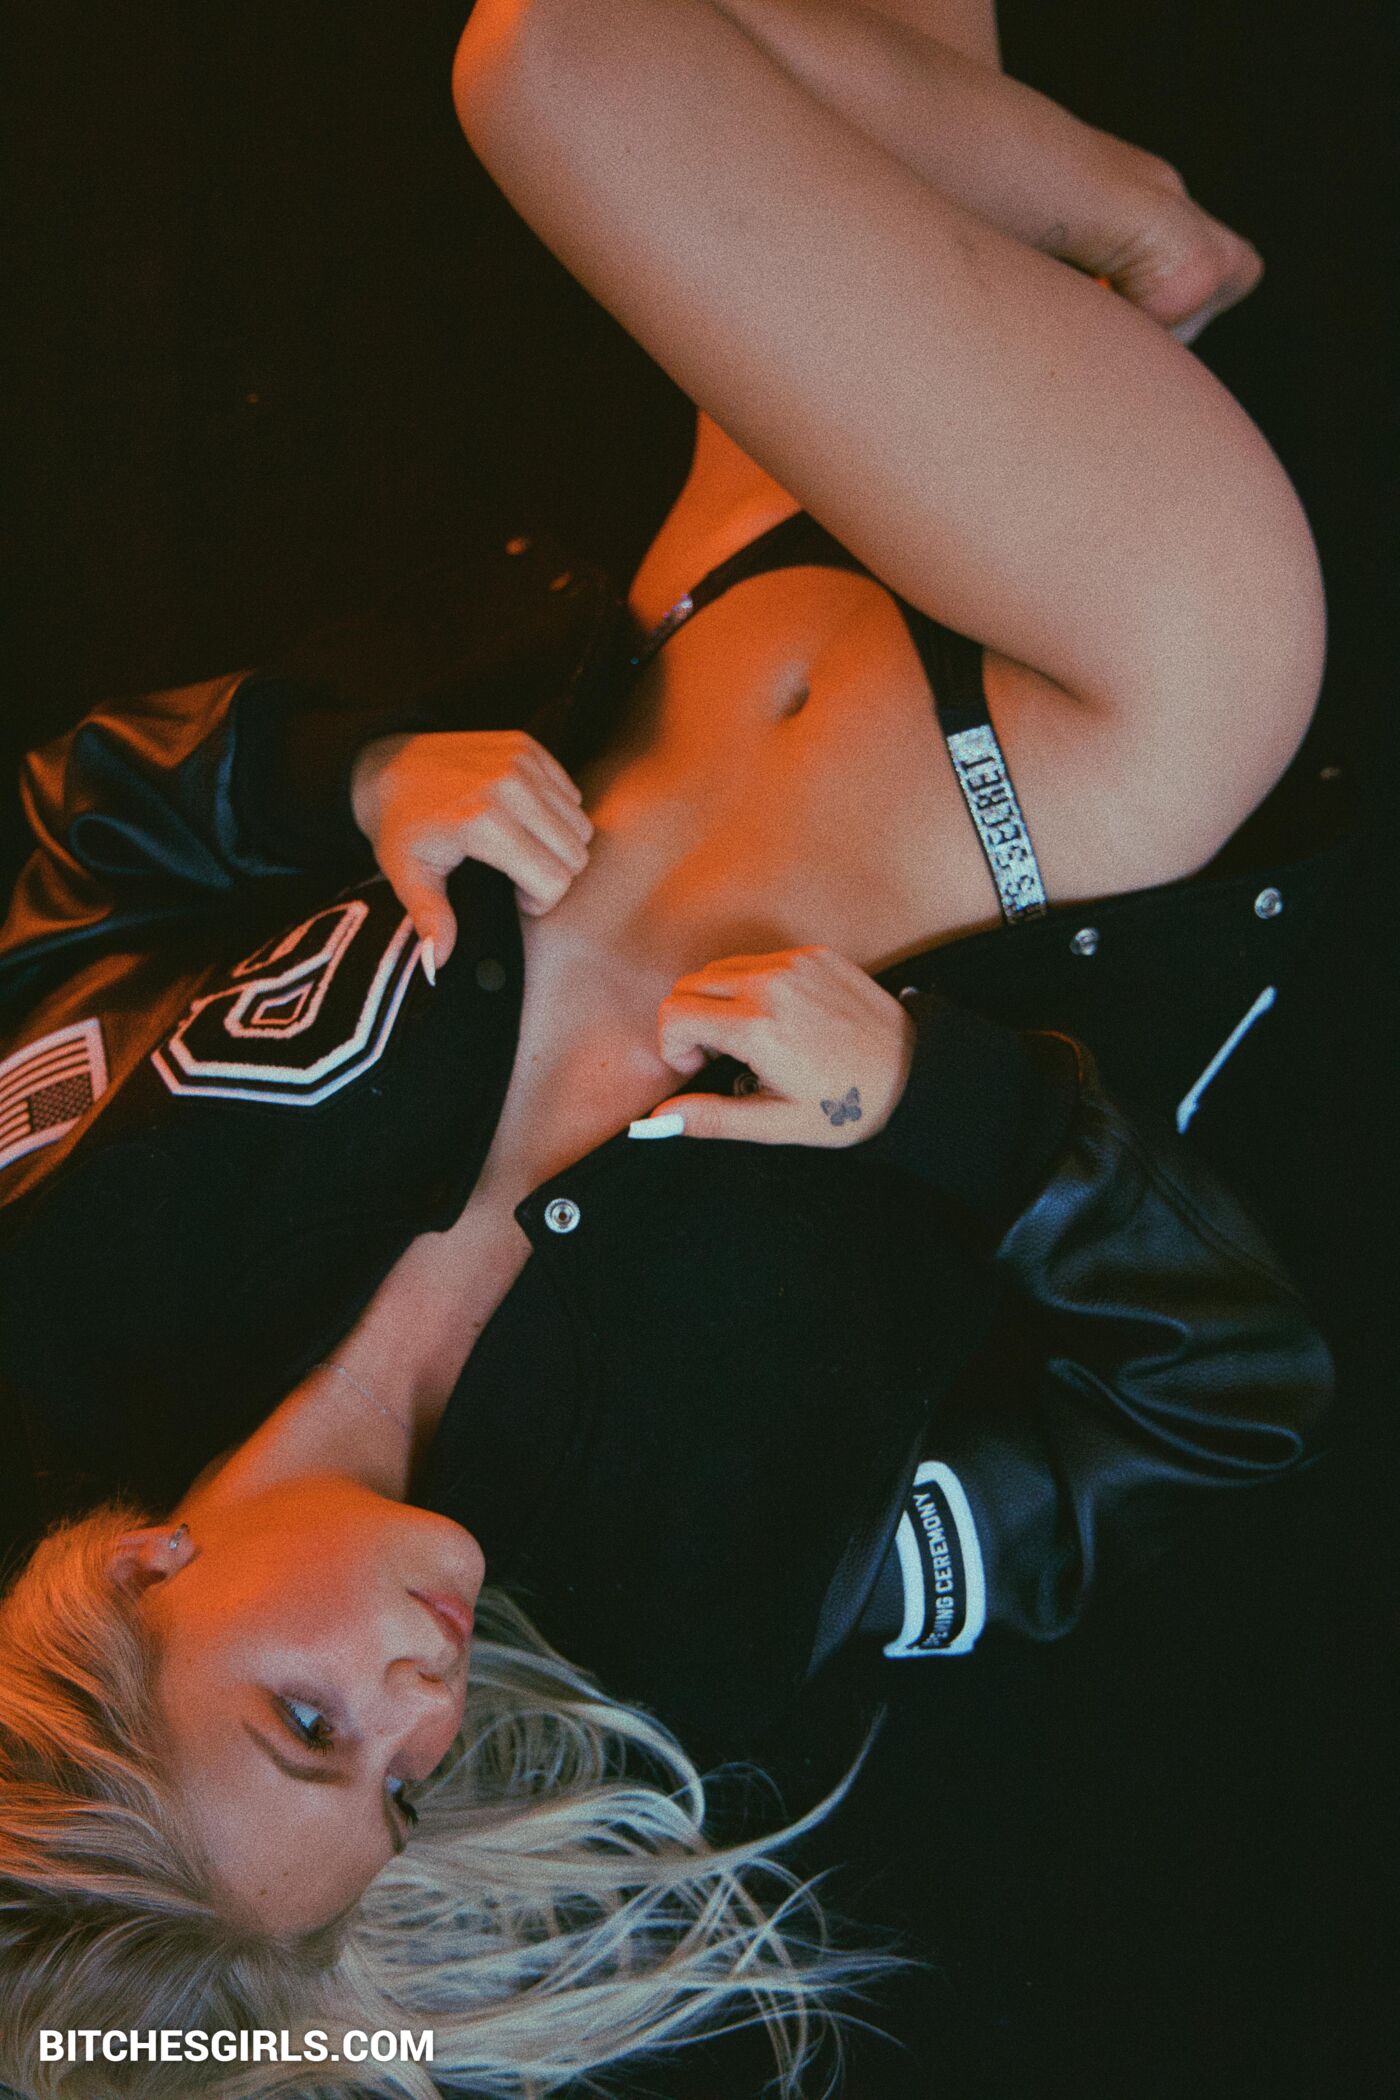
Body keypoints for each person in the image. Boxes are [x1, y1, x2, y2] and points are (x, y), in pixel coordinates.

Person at [0, 3, 1335, 2095]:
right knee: (544, 60)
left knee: (659, 38)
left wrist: (353, 783)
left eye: (309, 1724)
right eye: (401, 1792)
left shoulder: (83, 1246)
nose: (422, 1708)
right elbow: (1225, 1396)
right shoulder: (706, 1603)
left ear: (142, 1587)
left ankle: (1067, 216)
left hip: (739, 547)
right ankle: (1105, 216)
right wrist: (937, 1104)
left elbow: (79, 834)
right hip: (1086, 710)